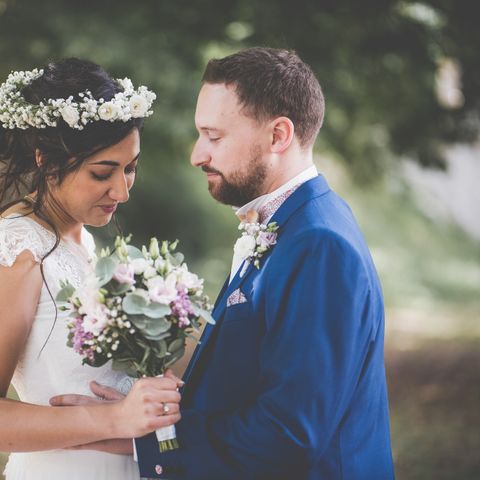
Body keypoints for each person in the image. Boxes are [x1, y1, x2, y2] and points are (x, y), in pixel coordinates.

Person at [56, 47, 395, 479]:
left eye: (214, 137)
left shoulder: (320, 244)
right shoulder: (290, 225)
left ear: (278, 136)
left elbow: (290, 432)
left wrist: (143, 440)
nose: (198, 155)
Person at [0, 58, 182, 480]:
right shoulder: (17, 250)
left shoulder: (81, 239)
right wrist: (115, 419)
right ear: (47, 160)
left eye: (130, 167)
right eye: (102, 173)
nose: (123, 191)